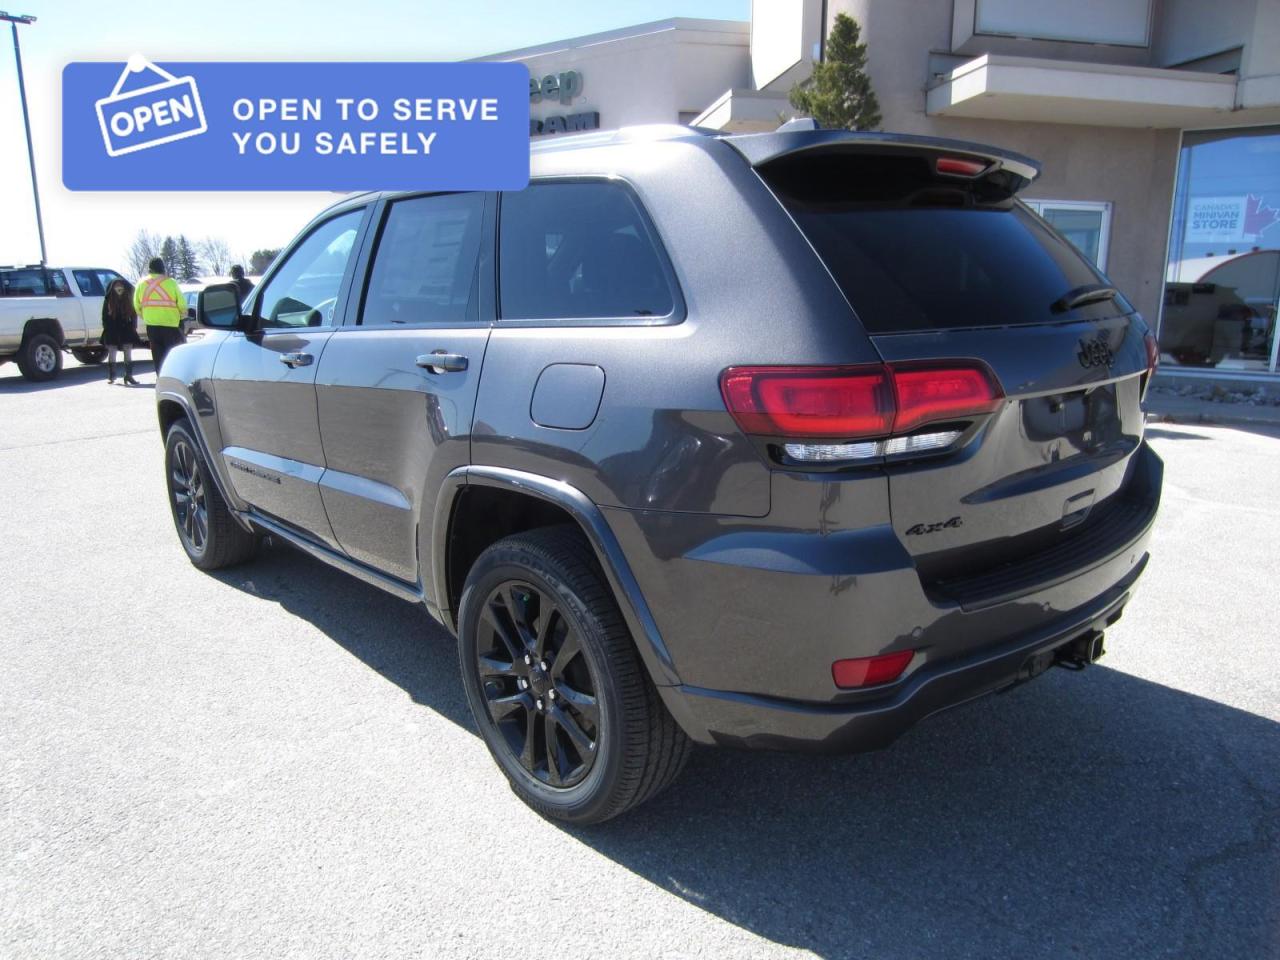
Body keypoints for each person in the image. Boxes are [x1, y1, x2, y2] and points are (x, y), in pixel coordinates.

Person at [134, 257, 187, 377]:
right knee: (172, 354)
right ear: (163, 268)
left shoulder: (141, 284)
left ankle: (161, 377)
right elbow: (182, 305)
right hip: (171, 326)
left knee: (157, 355)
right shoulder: (171, 282)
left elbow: (136, 306)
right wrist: (182, 317)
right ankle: (173, 377)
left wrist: (147, 317)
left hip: (152, 326)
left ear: (150, 269)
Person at [100, 278, 141, 385]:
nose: (119, 289)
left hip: (126, 329)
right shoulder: (109, 299)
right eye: (117, 286)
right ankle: (112, 375)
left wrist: (133, 327)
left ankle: (128, 375)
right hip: (112, 329)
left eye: (121, 286)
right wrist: (107, 328)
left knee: (127, 351)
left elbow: (133, 314)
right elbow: (104, 316)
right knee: (112, 351)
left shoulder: (128, 298)